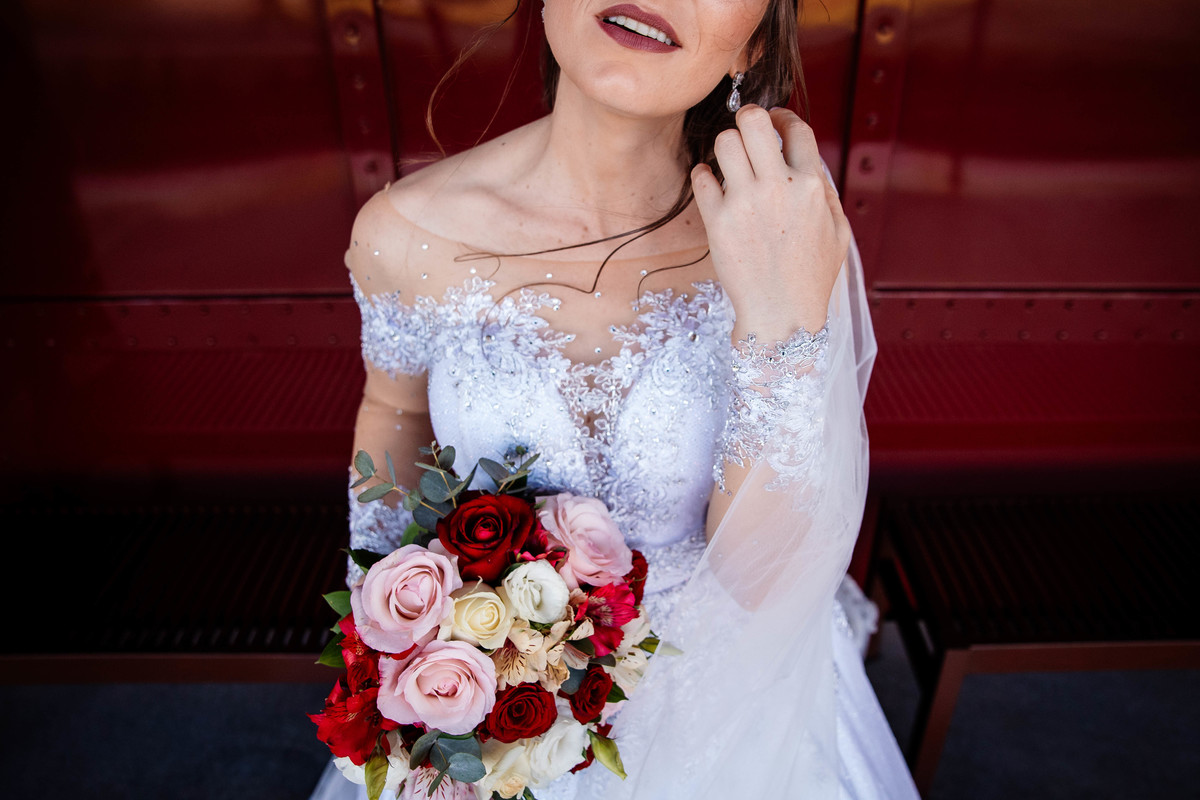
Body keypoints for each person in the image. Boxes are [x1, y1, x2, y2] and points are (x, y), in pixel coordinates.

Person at [310, 1, 921, 798]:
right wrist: (390, 627)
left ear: (754, 44)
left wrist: (780, 323)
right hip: (486, 698)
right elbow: (394, 410)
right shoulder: (404, 233)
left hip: (729, 701)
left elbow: (763, 586)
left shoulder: (786, 230)